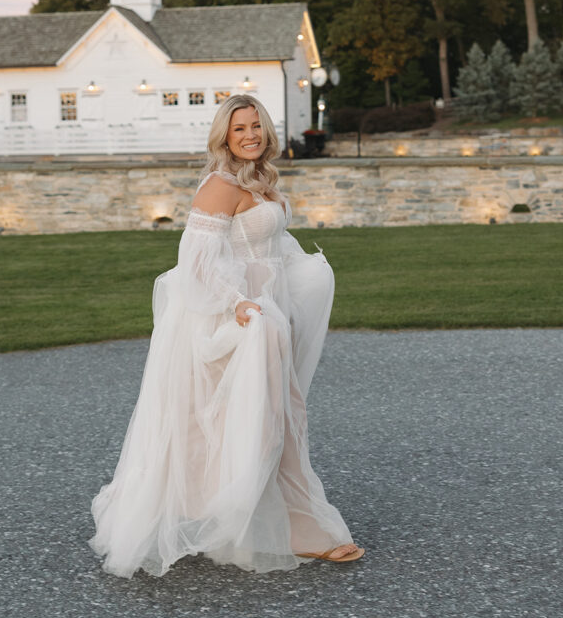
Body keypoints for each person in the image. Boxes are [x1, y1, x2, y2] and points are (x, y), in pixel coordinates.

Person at [89, 95, 364, 577]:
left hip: (269, 313)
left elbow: (272, 245)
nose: (251, 135)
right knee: (241, 421)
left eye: (256, 125)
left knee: (276, 416)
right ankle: (293, 529)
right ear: (224, 136)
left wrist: (304, 276)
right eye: (240, 129)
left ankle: (277, 522)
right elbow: (196, 261)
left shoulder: (260, 180)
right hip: (237, 319)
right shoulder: (219, 185)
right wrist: (237, 303)